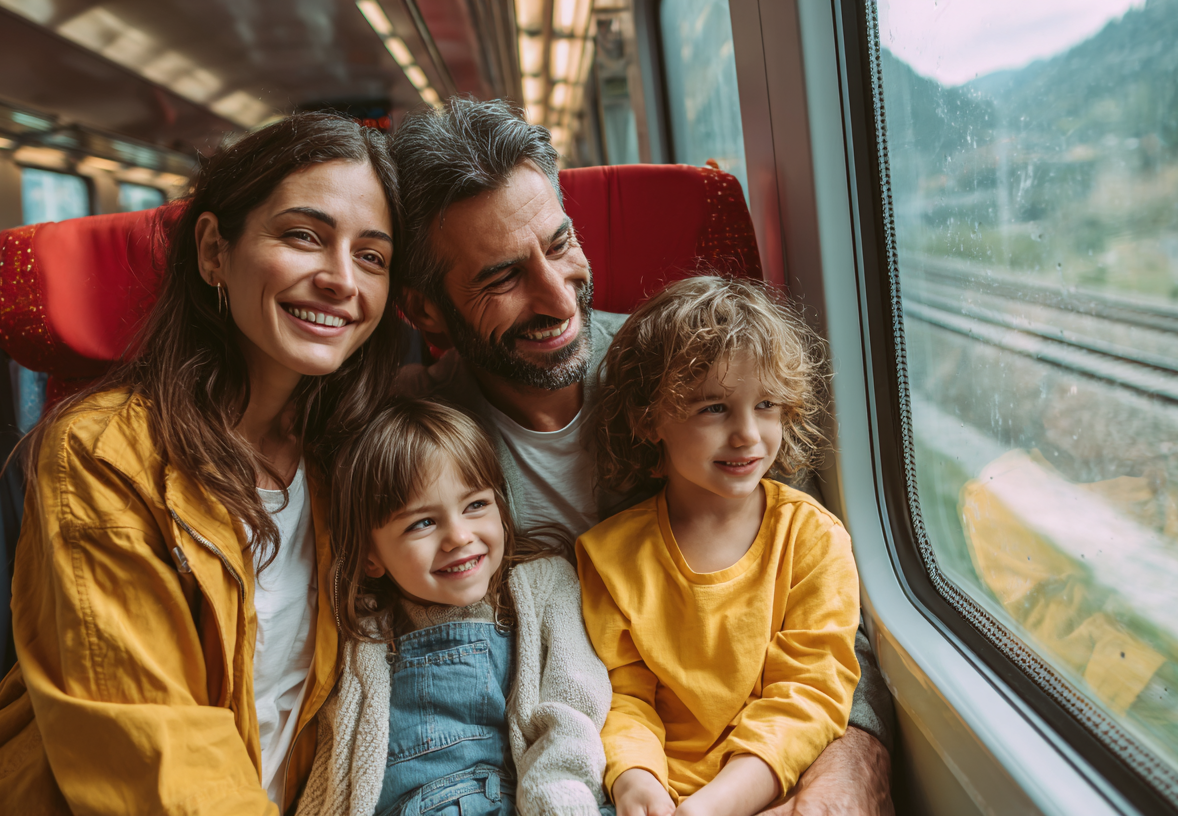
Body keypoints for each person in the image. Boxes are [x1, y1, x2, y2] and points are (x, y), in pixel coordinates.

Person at [391, 97, 895, 814]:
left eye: (560, 244)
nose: (556, 297)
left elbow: (819, 601)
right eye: (502, 277)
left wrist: (854, 760)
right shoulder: (413, 448)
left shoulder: (700, 368)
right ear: (424, 312)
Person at [0, 113, 403, 815]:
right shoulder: (102, 453)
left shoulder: (349, 459)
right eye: (304, 236)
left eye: (372, 256)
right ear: (214, 251)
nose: (340, 279)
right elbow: (155, 747)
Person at [577, 276, 859, 816]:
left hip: (776, 787)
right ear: (647, 418)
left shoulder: (812, 540)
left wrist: (713, 806)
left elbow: (807, 696)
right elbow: (623, 697)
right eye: (713, 408)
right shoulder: (611, 557)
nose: (748, 435)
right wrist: (635, 779)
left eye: (768, 404)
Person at [300, 398, 614, 816]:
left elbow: (572, 706)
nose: (458, 536)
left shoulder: (543, 586)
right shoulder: (362, 629)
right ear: (369, 556)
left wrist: (561, 804)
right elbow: (337, 755)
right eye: (422, 523)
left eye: (475, 505)